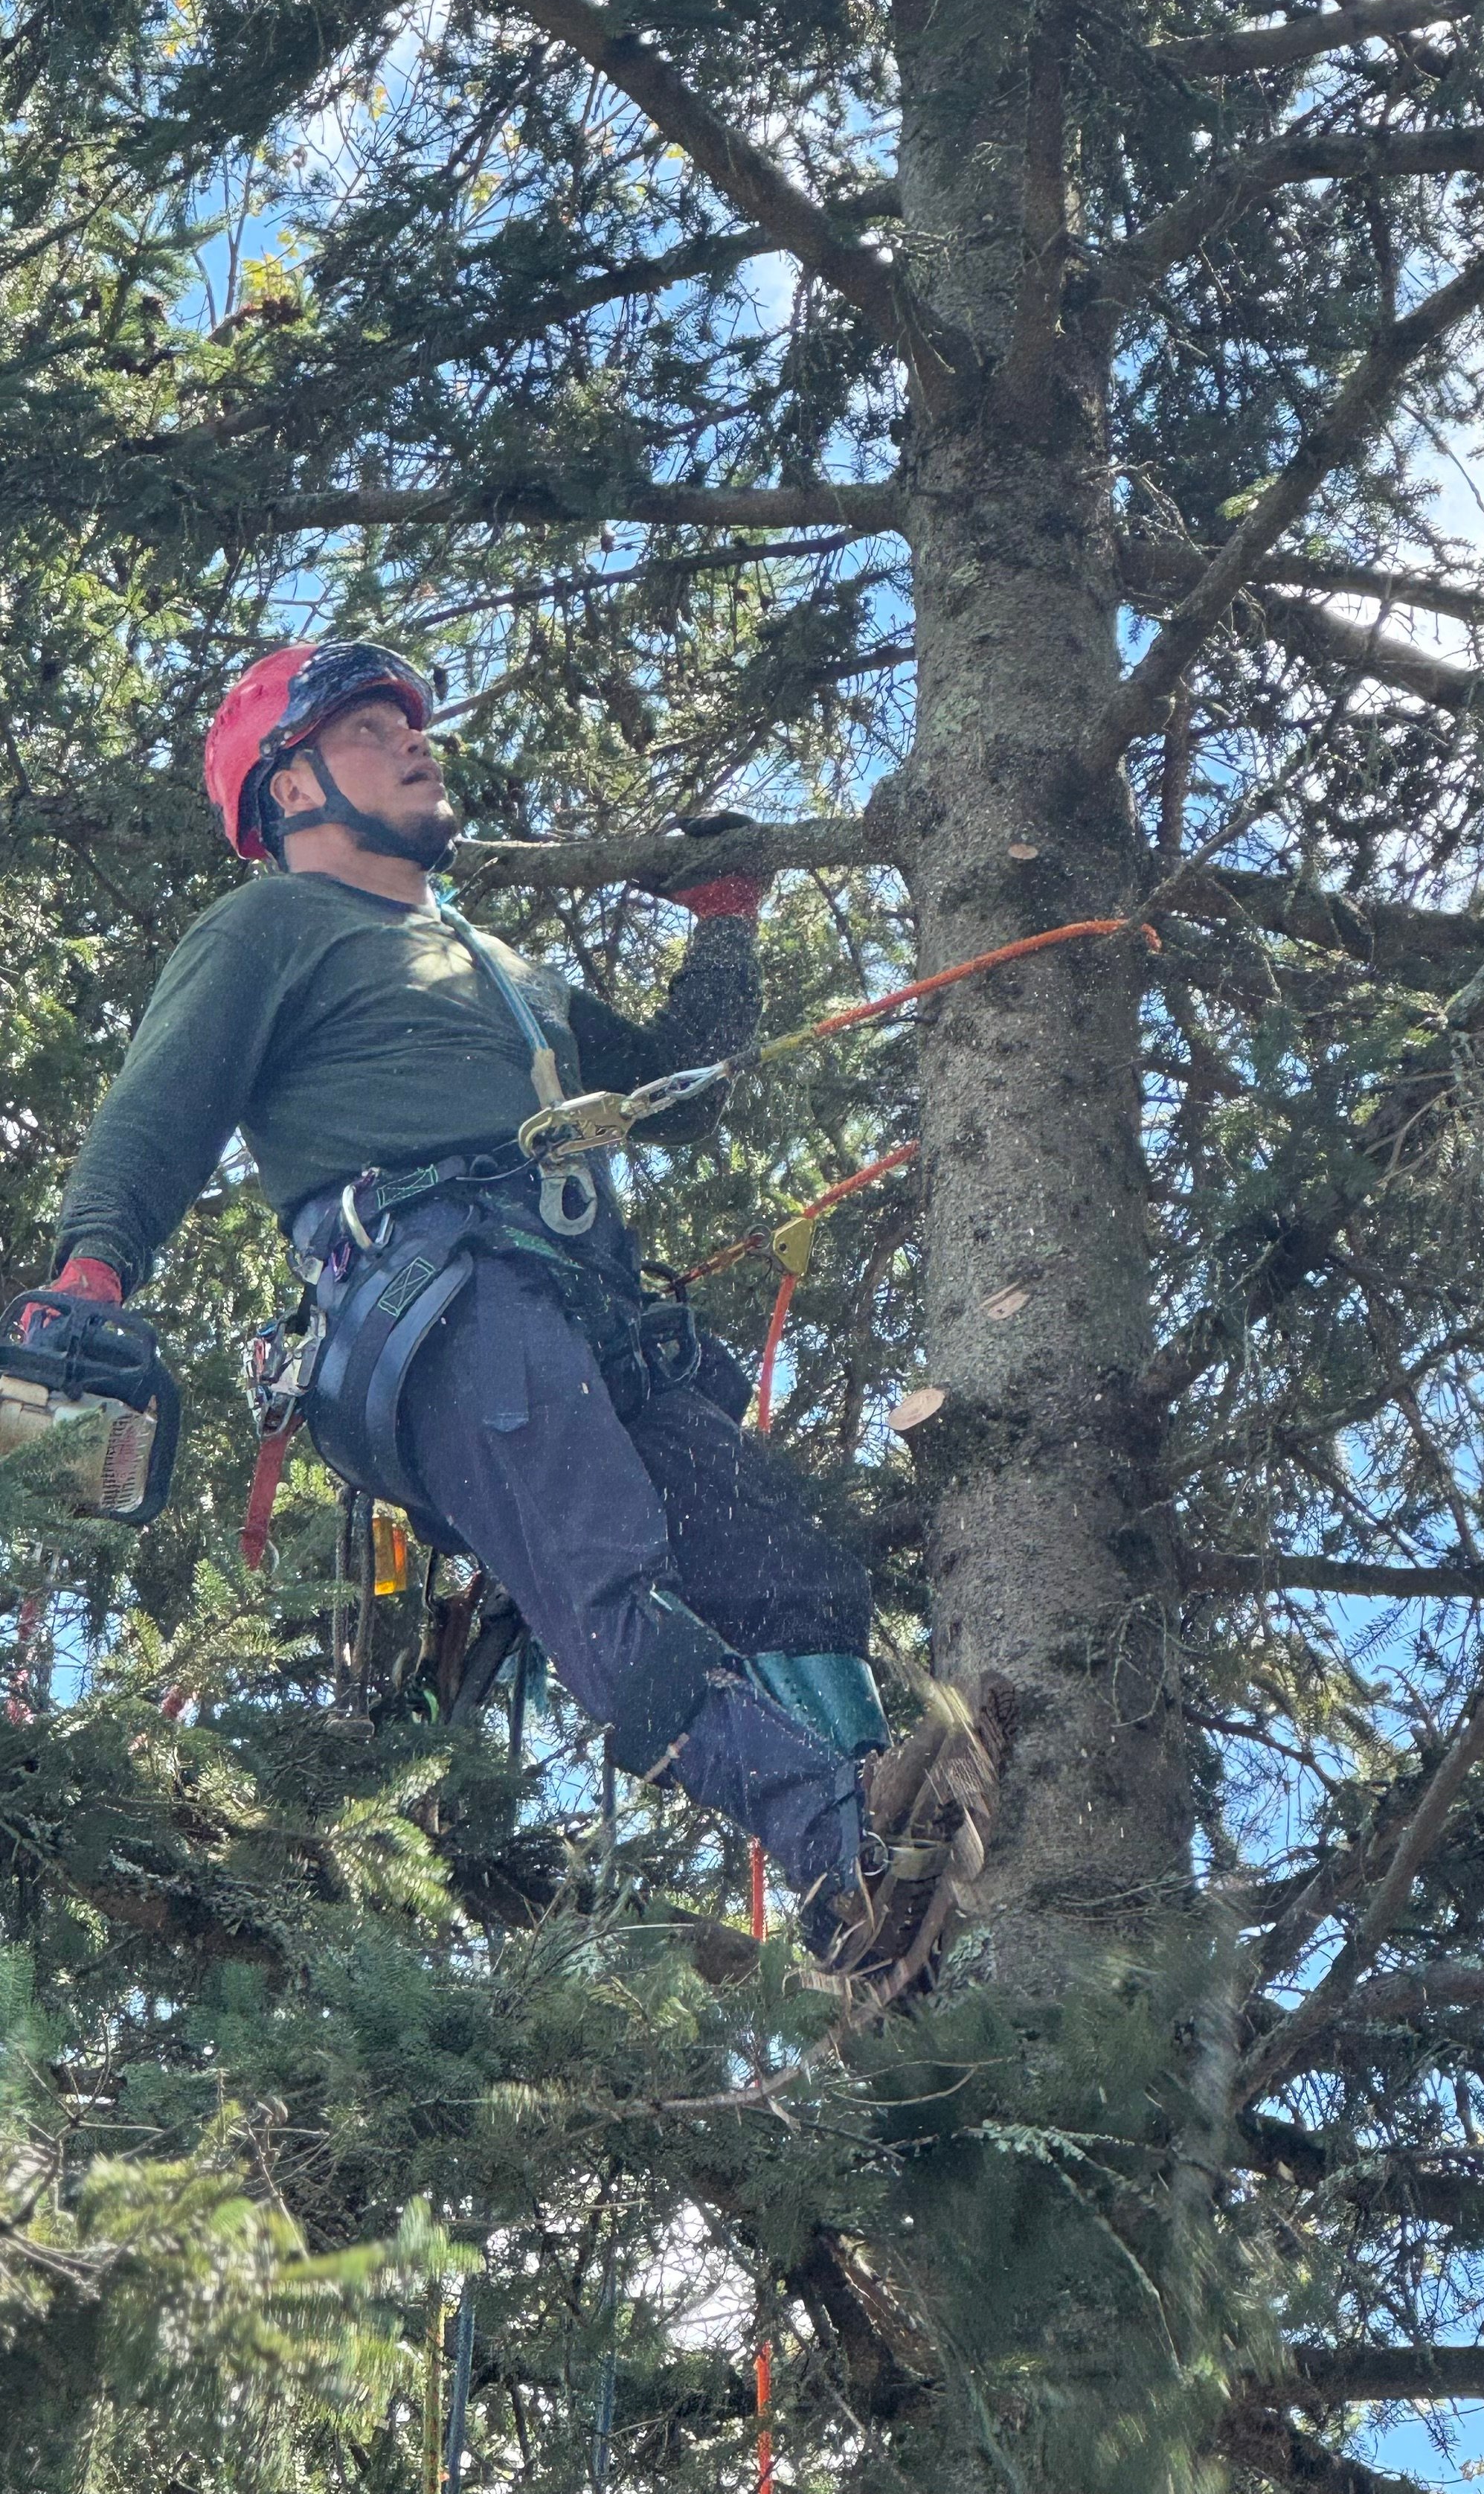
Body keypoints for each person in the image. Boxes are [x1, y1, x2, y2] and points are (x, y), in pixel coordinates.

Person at [46, 641, 1000, 1978]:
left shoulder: (501, 969)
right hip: (441, 1298)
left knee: (786, 1565)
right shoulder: (270, 928)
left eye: (408, 723)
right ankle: (837, 1848)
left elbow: (686, 1083)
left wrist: (726, 921)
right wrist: (90, 1273)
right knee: (604, 1571)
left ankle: (894, 1874)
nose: (415, 741)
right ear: (291, 788)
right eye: (372, 728)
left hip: (589, 1313)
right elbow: (161, 1109)